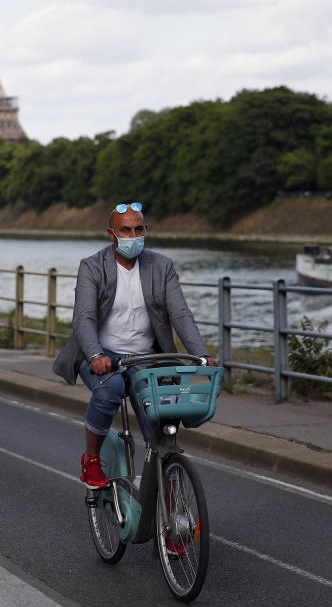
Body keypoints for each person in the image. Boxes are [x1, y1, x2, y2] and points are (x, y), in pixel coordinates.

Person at [53, 202, 215, 489]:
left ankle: (170, 493)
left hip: (148, 359)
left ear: (146, 230)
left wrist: (201, 353)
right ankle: (91, 459)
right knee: (110, 391)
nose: (133, 235)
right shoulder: (92, 267)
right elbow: (84, 317)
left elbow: (180, 314)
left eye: (138, 229)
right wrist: (94, 354)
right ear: (111, 234)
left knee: (162, 426)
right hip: (104, 356)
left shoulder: (161, 265)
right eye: (125, 230)